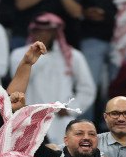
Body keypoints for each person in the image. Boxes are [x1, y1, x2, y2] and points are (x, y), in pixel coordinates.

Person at [7, 14, 95, 143]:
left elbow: (87, 88)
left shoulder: (73, 56)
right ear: (32, 31)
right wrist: (39, 55)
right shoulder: (19, 54)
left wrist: (71, 108)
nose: (43, 34)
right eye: (39, 31)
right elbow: (18, 82)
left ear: (56, 32)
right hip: (31, 118)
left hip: (61, 121)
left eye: (48, 31)